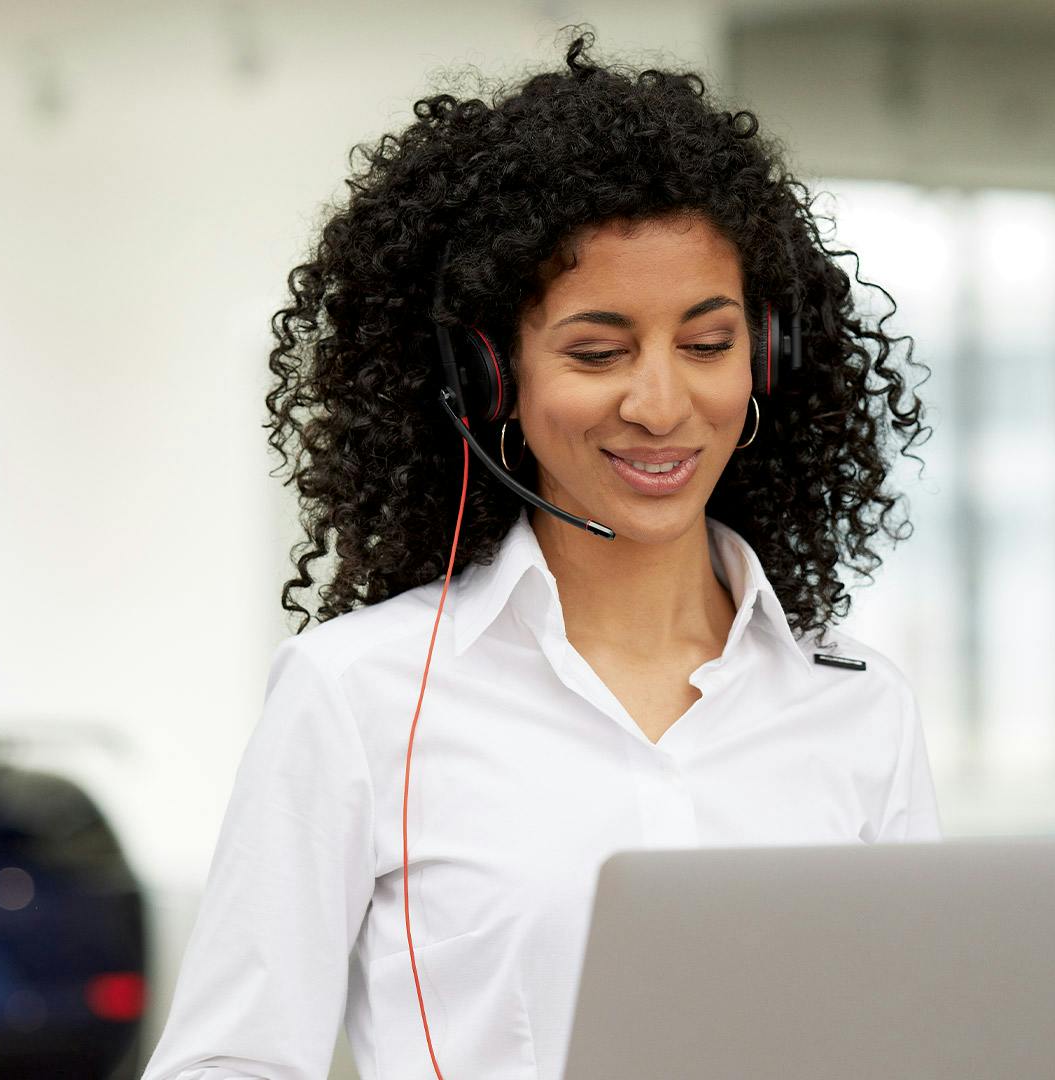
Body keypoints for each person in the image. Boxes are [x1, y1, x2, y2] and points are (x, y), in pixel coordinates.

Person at [143, 31, 937, 1080]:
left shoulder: (859, 709)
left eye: (707, 345)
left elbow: (916, 1041)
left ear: (768, 355)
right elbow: (225, 1064)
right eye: (597, 352)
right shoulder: (361, 696)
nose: (661, 404)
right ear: (489, 378)